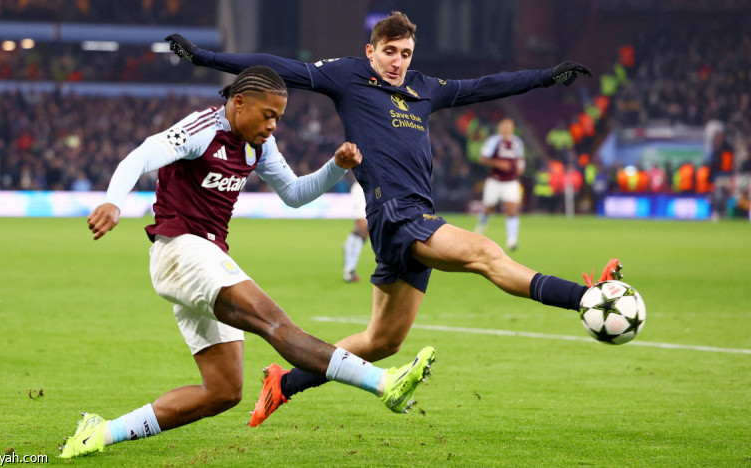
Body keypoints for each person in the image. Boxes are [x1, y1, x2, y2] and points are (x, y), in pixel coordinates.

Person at [166, 11, 622, 428]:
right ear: (371, 51)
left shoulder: (425, 87)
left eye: (405, 53)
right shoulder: (348, 76)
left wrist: (546, 76)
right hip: (394, 214)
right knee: (485, 253)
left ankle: (283, 384)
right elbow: (279, 67)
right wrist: (204, 57)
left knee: (382, 341)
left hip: (415, 217)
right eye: (389, 51)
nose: (397, 62)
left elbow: (485, 86)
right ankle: (586, 298)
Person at [58, 66, 436, 459]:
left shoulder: (259, 146)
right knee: (276, 325)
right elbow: (141, 156)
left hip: (203, 260)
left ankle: (101, 432)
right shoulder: (202, 129)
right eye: (268, 115)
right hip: (182, 251)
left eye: (278, 118)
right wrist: (113, 201)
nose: (272, 125)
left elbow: (294, 193)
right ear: (239, 102)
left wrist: (335, 167)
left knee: (223, 391)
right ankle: (384, 383)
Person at [474, 118, 525, 250]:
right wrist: (497, 163)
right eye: (504, 126)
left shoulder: (517, 142)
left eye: (509, 126)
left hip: (511, 181)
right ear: (500, 128)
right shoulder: (493, 141)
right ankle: (482, 225)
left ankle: (512, 240)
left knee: (512, 209)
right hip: (495, 181)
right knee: (489, 208)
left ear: (513, 128)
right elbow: (482, 159)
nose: (506, 129)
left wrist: (521, 166)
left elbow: (519, 158)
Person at [343, 178, 368, 282]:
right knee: (362, 229)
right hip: (363, 187)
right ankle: (349, 270)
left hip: (369, 187)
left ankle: (349, 244)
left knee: (364, 234)